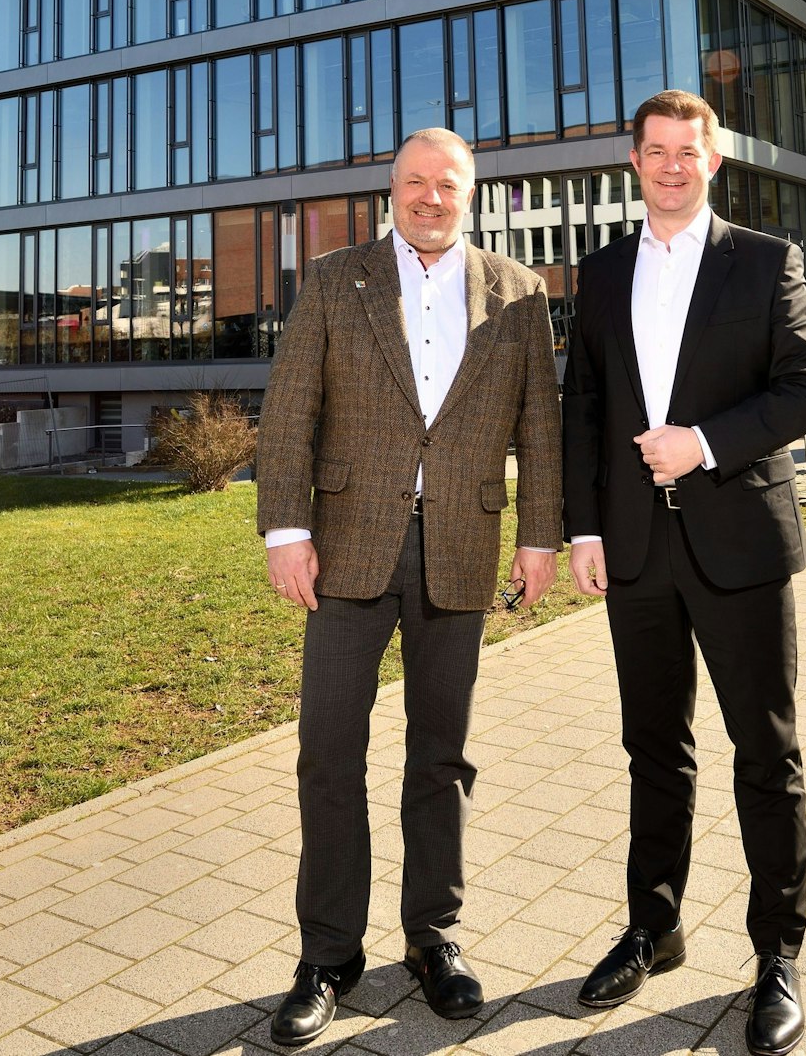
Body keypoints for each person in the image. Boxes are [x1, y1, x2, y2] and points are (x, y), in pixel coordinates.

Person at [255, 127, 562, 1046]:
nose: (431, 197)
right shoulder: (333, 279)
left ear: (473, 193)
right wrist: (286, 529)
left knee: (442, 756)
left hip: (461, 543)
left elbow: (540, 425)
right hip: (346, 548)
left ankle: (433, 937)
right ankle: (328, 954)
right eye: (415, 182)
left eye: (448, 183)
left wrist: (539, 535)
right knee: (328, 751)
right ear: (391, 189)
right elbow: (290, 410)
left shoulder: (519, 292)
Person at [560, 90, 806, 1056]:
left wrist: (704, 443)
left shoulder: (765, 260)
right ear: (634, 161)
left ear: (714, 161)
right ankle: (654, 925)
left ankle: (777, 956)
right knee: (653, 748)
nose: (673, 166)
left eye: (689, 151)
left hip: (741, 547)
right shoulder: (601, 272)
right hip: (635, 550)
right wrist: (583, 529)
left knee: (765, 751)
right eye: (657, 150)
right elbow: (583, 407)